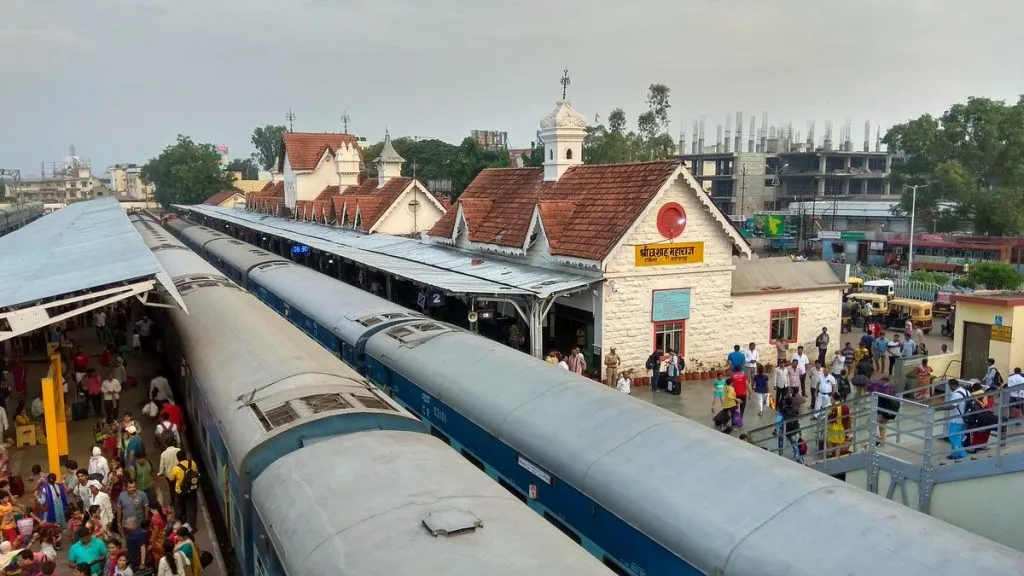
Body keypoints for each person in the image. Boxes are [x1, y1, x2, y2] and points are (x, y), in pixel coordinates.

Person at [167, 452, 199, 530]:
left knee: (179, 509)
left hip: (180, 492)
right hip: (192, 491)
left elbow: (171, 479)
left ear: (178, 459)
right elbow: (196, 473)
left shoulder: (176, 468)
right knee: (192, 509)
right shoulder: (193, 463)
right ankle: (192, 528)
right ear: (185, 457)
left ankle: (180, 526)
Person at [945, 379, 970, 460]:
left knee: (953, 437)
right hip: (965, 419)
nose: (950, 388)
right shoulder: (967, 392)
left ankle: (963, 454)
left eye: (950, 386)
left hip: (956, 419)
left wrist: (939, 408)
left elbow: (952, 406)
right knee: (959, 438)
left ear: (953, 385)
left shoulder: (956, 394)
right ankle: (955, 455)